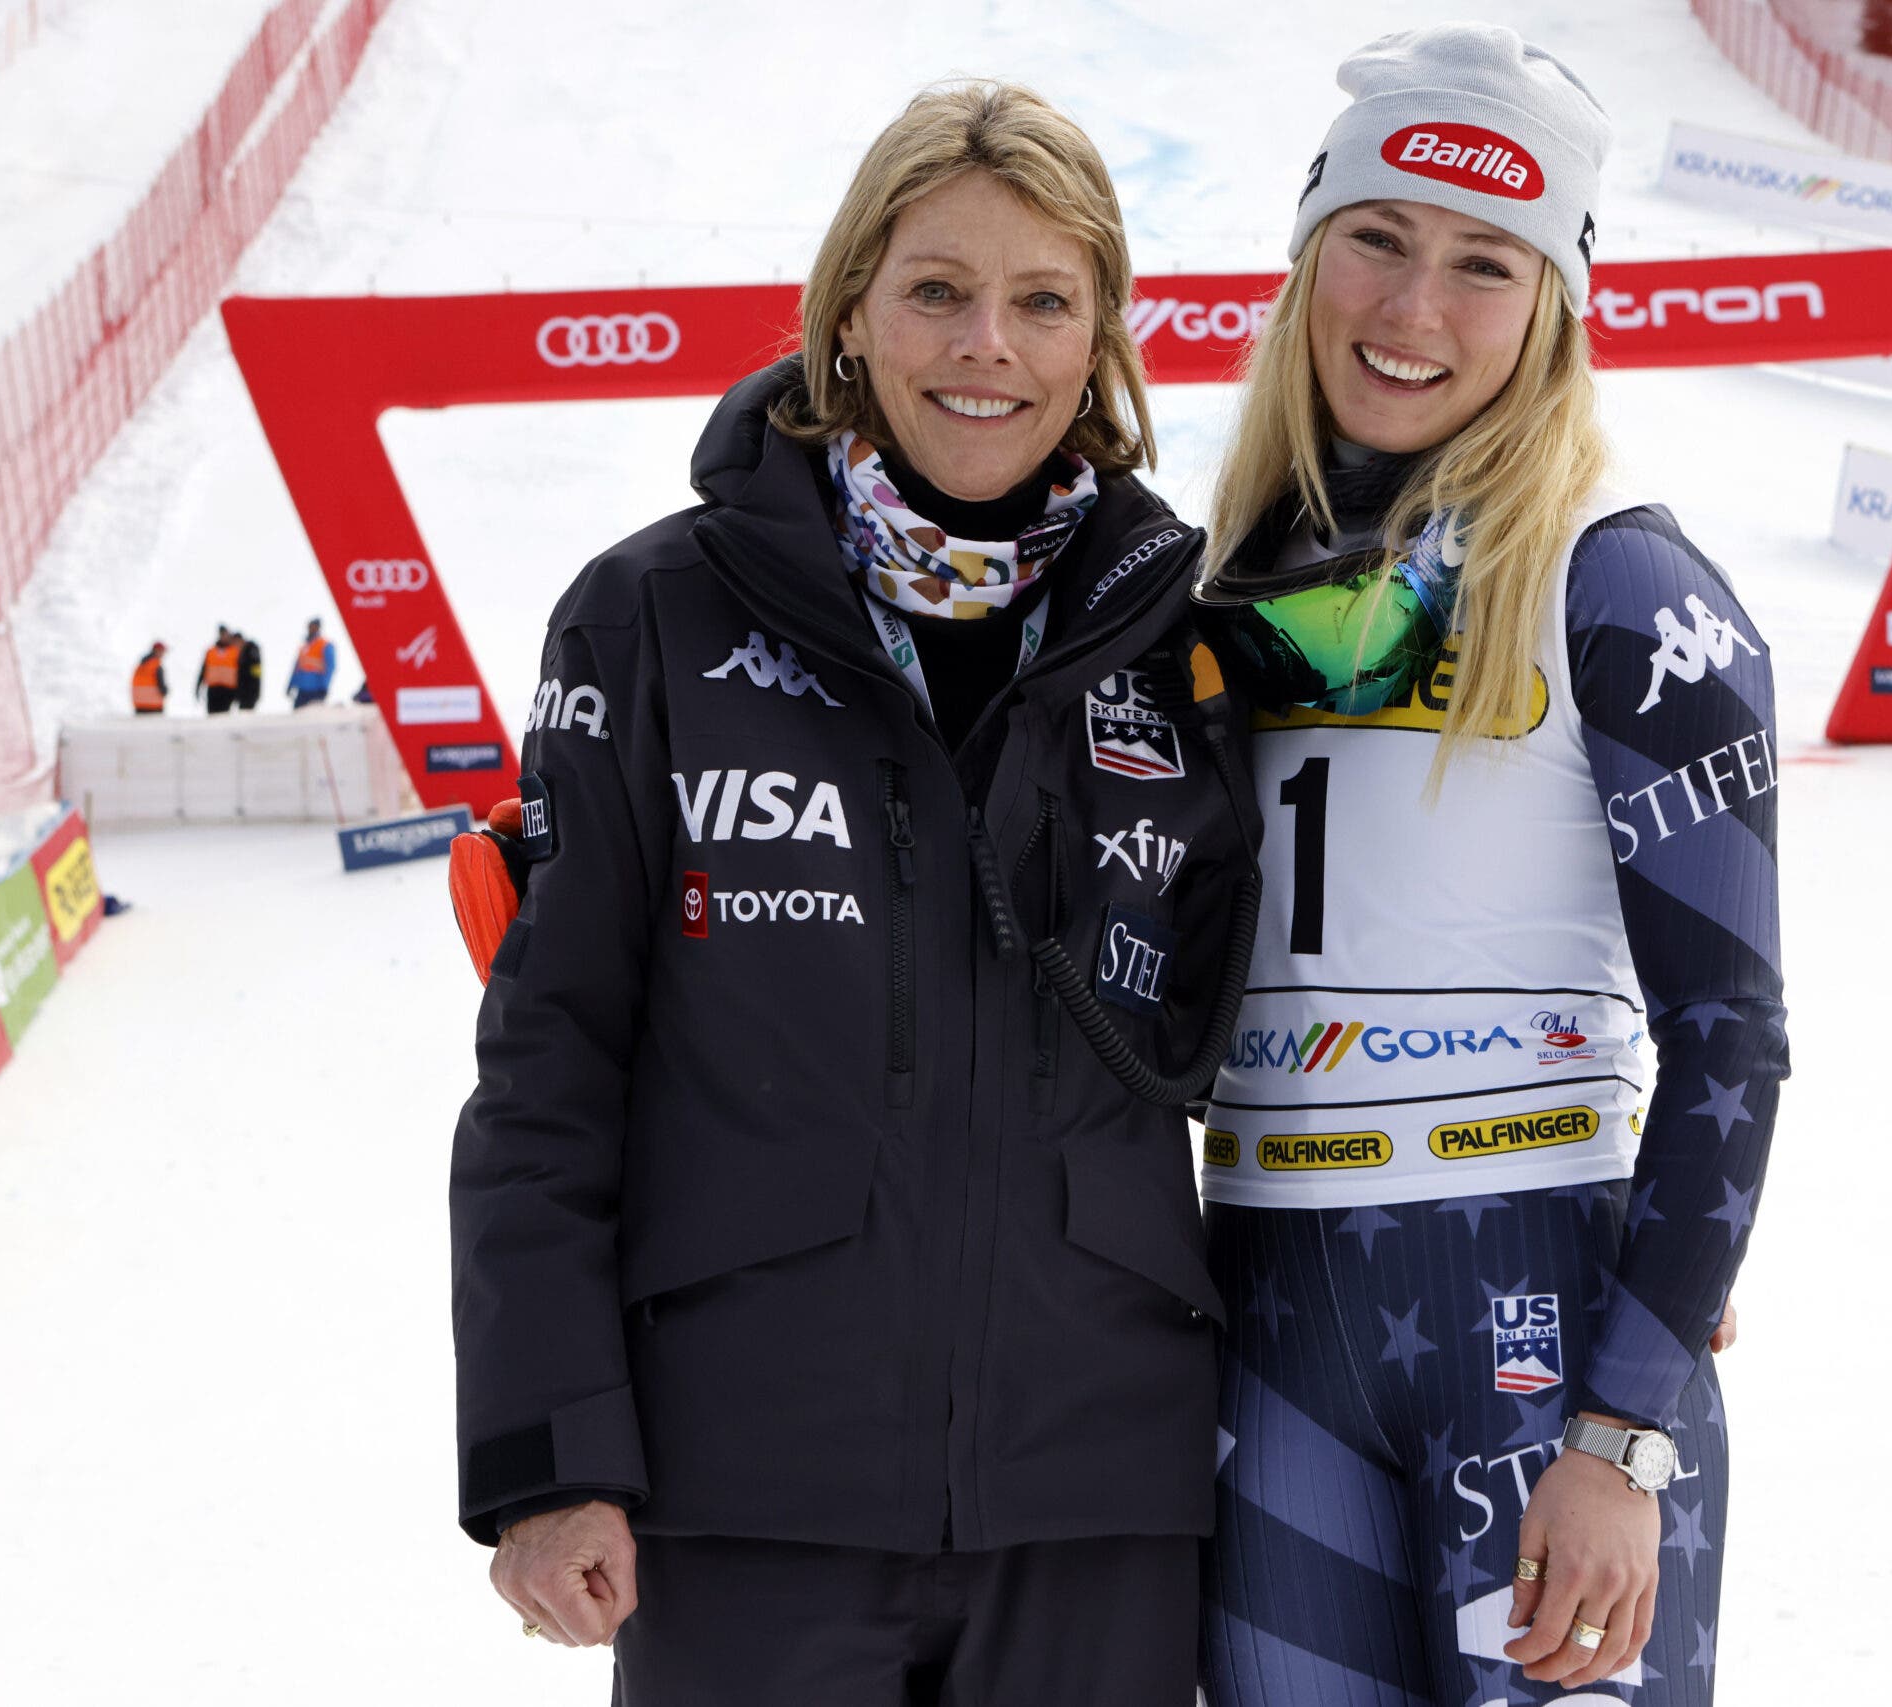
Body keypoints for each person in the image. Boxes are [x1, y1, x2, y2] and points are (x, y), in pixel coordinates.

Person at [449, 81, 1260, 1706]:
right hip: (749, 1485)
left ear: (1102, 332)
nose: (990, 346)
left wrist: (1573, 1181)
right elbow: (551, 1071)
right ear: (851, 311)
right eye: (937, 291)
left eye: (1044, 300)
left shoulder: (1193, 638)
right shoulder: (653, 618)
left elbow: (1314, 995)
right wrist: (547, 1455)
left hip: (1096, 1498)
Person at [1190, 26, 1789, 1705]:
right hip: (1270, 1310)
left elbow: (1732, 1037)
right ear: (1310, 255)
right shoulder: (1215, 584)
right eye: (1375, 239)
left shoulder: (1622, 584)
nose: (1413, 309)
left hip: (1530, 1325)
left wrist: (1630, 1425)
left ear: (1555, 304)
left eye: (1482, 265)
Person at [286, 618, 335, 707]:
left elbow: (330, 667)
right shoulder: (304, 647)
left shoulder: (325, 645)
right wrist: (290, 685)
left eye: (313, 627)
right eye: (309, 627)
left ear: (318, 628)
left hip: (317, 689)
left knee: (313, 716)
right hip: (302, 689)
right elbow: (296, 668)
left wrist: (324, 686)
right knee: (297, 716)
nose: (310, 629)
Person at [200, 626, 239, 715]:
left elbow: (240, 673)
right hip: (213, 689)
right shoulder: (210, 651)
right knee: (212, 715)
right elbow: (203, 670)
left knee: (224, 716)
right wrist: (198, 686)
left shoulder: (235, 652)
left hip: (228, 690)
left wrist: (239, 691)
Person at [130, 641, 168, 715]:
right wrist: (165, 691)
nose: (163, 654)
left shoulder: (141, 665)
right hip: (154, 706)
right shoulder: (156, 666)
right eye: (162, 651)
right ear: (157, 651)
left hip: (139, 705)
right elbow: (162, 687)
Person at [235, 628, 263, 711]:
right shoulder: (241, 653)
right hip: (243, 692)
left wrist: (255, 690)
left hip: (251, 691)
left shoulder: (251, 651)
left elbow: (256, 673)